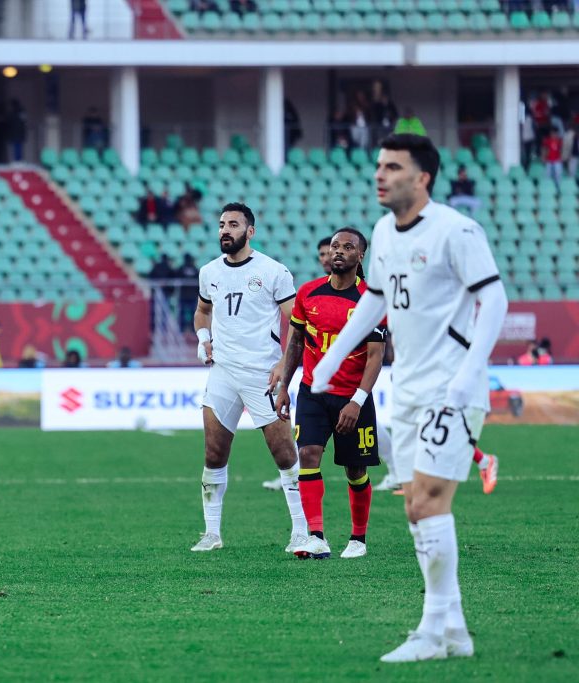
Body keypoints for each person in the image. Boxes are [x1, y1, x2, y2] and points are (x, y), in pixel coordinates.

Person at [310, 134, 508, 662]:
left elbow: (494, 298)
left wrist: (470, 375)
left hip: (451, 389)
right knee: (420, 512)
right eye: (378, 165)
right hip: (412, 390)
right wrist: (332, 359)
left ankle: (431, 631)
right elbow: (374, 301)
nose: (380, 174)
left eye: (392, 166)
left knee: (425, 503)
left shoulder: (455, 230)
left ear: (421, 178)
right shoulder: (382, 231)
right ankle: (456, 632)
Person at [190, 202, 308, 554]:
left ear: (249, 231)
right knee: (213, 452)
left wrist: (284, 366)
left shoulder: (274, 272)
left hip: (263, 375)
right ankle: (212, 533)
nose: (225, 230)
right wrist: (202, 338)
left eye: (234, 224)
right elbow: (202, 311)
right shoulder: (209, 271)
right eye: (222, 224)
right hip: (223, 372)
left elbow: (297, 324)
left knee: (284, 453)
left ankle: (301, 532)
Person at [274, 228, 386, 560]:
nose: (338, 251)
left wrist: (357, 401)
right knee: (307, 455)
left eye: (347, 247)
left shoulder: (371, 300)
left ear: (360, 256)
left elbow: (376, 357)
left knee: (355, 470)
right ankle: (316, 536)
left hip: (353, 397)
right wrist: (284, 387)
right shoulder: (308, 293)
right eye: (335, 246)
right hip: (313, 392)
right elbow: (295, 344)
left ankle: (358, 539)